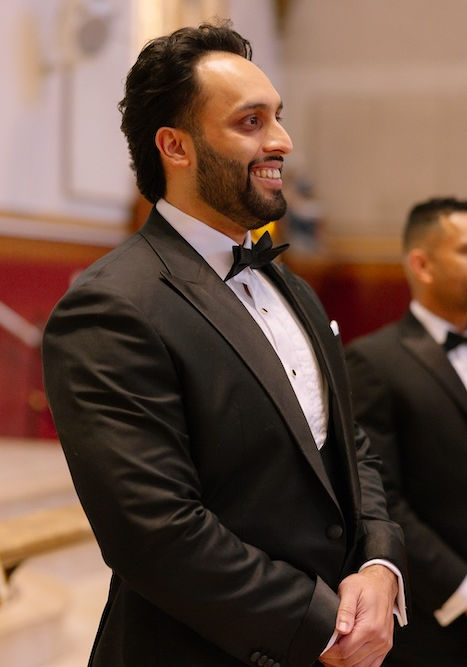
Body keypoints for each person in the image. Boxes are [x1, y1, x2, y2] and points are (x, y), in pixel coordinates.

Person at [42, 21, 407, 667]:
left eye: (278, 117)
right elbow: (154, 531)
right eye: (250, 122)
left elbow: (348, 449)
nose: (282, 140)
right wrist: (320, 626)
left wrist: (379, 565)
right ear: (175, 147)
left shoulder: (293, 290)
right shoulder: (112, 305)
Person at [345, 197, 467, 665]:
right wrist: (461, 588)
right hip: (439, 621)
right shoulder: (374, 361)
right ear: (423, 264)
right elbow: (382, 498)